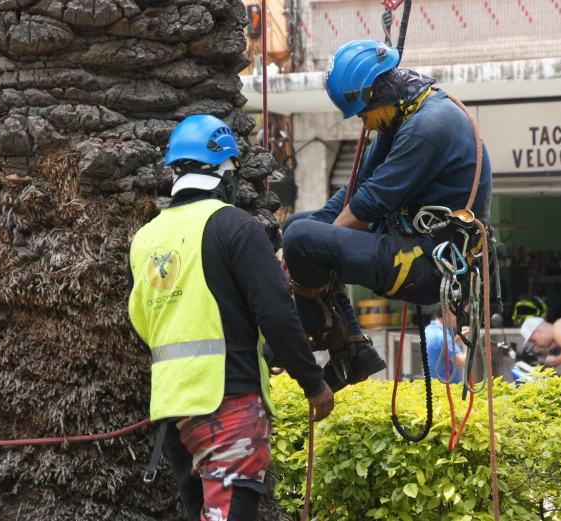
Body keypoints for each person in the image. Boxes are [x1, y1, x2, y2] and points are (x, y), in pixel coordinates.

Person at [128, 115, 334, 521]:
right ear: (226, 173)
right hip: (228, 405)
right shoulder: (235, 226)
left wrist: (259, 349)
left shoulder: (146, 238)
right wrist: (313, 383)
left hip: (174, 411)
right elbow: (276, 311)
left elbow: (145, 323)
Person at [282, 39, 493, 393]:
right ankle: (355, 349)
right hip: (405, 240)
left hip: (430, 266)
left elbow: (370, 205)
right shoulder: (402, 114)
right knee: (297, 228)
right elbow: (356, 190)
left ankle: (317, 340)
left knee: (302, 240)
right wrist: (309, 237)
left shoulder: (430, 125)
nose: (365, 123)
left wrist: (310, 248)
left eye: (364, 113)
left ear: (378, 96)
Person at [424, 308, 467, 384]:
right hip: (448, 389)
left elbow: (442, 351)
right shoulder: (444, 337)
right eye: (457, 314)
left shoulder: (428, 330)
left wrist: (455, 342)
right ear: (448, 313)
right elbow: (464, 362)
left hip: (434, 385)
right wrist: (474, 342)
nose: (459, 317)